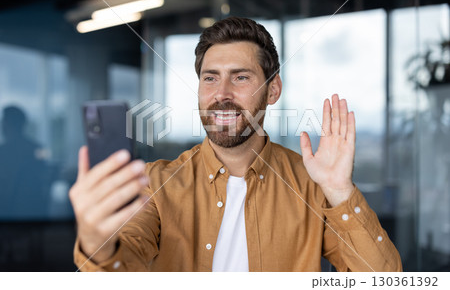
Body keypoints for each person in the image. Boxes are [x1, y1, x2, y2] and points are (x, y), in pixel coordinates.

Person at [70, 17, 402, 272]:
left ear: (273, 91)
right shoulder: (155, 184)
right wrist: (97, 241)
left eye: (241, 77)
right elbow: (120, 270)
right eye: (210, 78)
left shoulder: (311, 186)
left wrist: (340, 191)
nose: (221, 94)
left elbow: (382, 280)